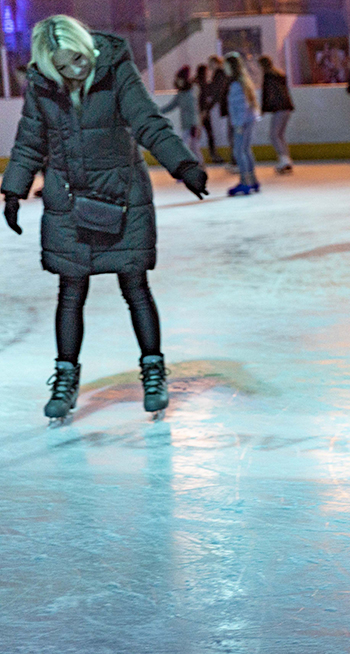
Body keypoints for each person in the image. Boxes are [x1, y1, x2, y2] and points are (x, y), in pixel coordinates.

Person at [2, 14, 208, 421]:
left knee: (135, 286)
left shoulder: (115, 69)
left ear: (86, 47)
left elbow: (148, 121)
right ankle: (65, 378)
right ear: (47, 67)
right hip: (69, 201)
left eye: (77, 60)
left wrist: (182, 165)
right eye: (62, 67)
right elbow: (29, 140)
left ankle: (153, 370)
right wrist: (13, 190)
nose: (75, 71)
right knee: (71, 291)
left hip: (122, 196)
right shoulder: (43, 87)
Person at [225, 52, 259, 196]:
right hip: (248, 120)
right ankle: (253, 181)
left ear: (231, 66)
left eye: (225, 65)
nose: (224, 68)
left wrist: (238, 124)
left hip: (242, 122)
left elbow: (241, 105)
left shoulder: (236, 84)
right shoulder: (243, 81)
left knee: (239, 152)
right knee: (245, 150)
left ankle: (245, 182)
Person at [259, 55, 295, 174]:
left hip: (279, 108)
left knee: (274, 135)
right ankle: (286, 159)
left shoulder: (268, 76)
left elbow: (267, 94)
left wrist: (263, 109)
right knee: (280, 135)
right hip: (286, 107)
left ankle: (284, 160)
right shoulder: (279, 74)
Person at [159, 66, 202, 162]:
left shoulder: (190, 93)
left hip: (192, 126)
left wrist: (195, 126)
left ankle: (196, 168)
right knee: (193, 148)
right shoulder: (181, 94)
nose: (178, 82)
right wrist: (157, 111)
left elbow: (194, 111)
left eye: (180, 80)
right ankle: (198, 168)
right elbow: (171, 106)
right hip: (185, 125)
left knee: (189, 148)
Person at [198, 59, 226, 163]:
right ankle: (212, 155)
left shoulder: (212, 79)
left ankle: (212, 155)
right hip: (202, 111)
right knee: (198, 135)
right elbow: (214, 93)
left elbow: (215, 93)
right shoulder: (203, 83)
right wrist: (206, 109)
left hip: (203, 111)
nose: (209, 70)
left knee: (198, 135)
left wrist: (207, 108)